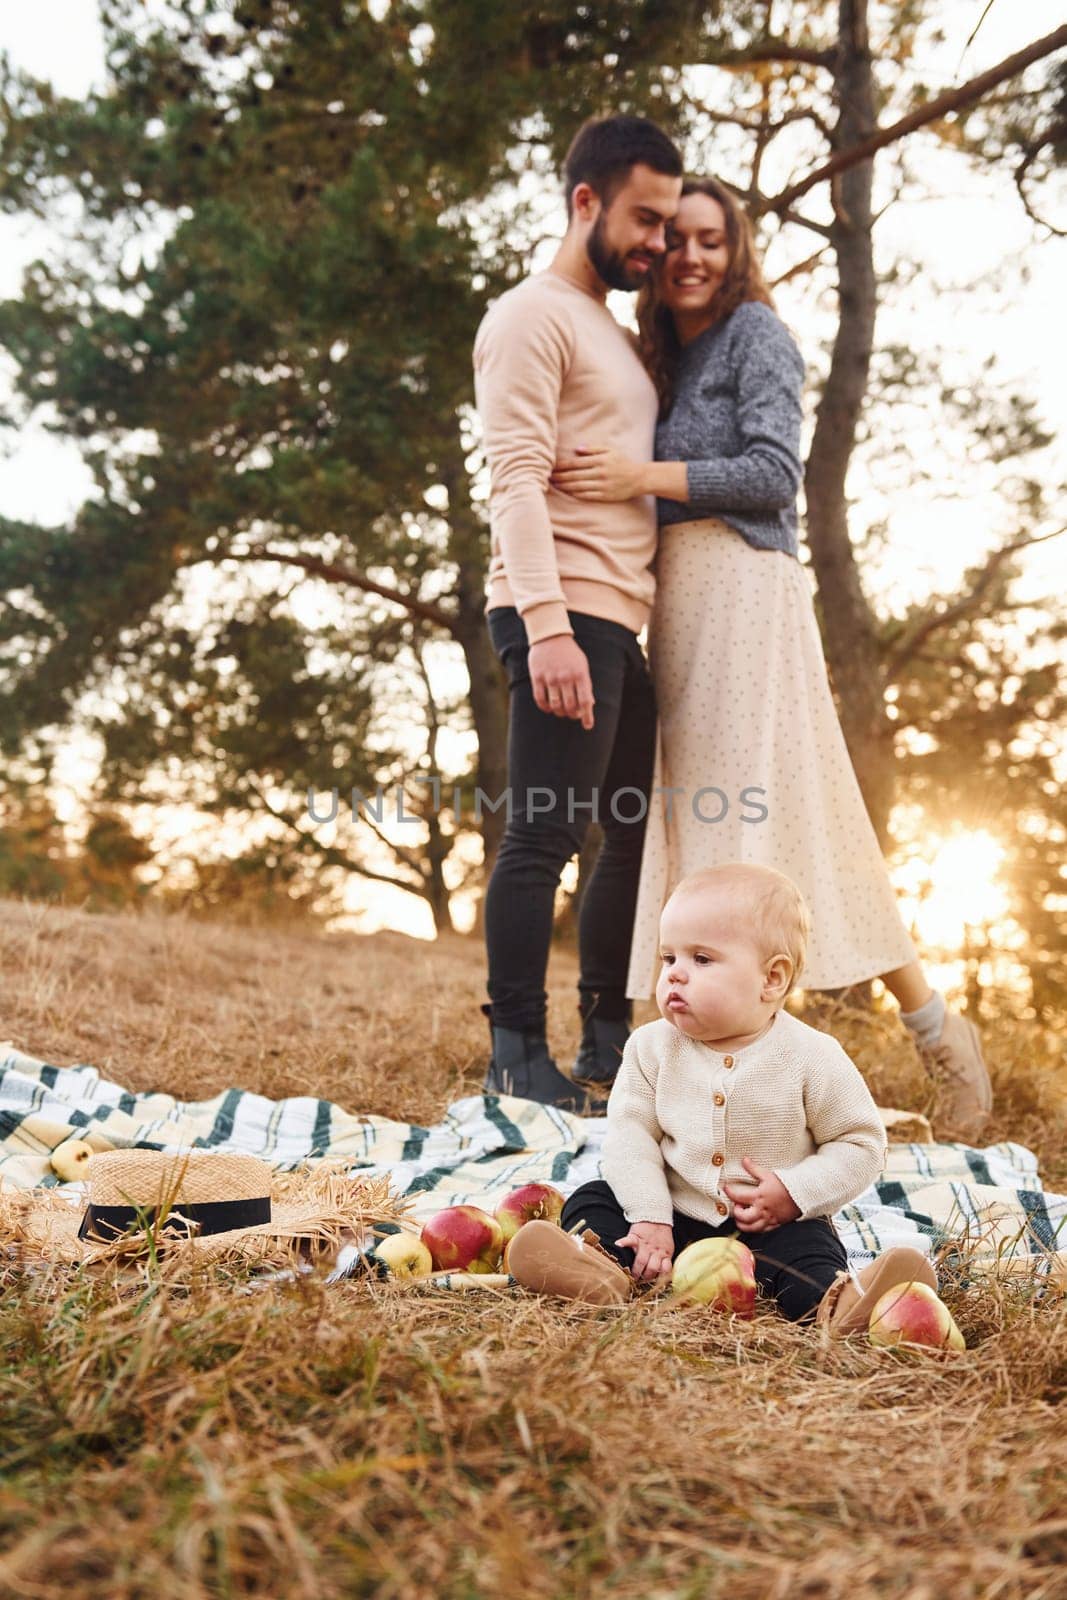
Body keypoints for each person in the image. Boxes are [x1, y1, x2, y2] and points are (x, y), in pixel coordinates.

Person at [548, 177, 992, 1144]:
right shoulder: (664, 354)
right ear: (656, 261)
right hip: (677, 601)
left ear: (736, 250)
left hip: (746, 592)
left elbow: (771, 473)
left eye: (713, 240)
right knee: (773, 816)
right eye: (678, 244)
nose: (694, 257)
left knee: (735, 825)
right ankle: (752, 1059)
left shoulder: (757, 334)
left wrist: (641, 477)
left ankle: (905, 1047)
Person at [471, 115, 683, 1112]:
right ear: (584, 200)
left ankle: (608, 1044)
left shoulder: (612, 330)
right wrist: (546, 625)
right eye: (643, 217)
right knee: (542, 837)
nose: (657, 241)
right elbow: (512, 478)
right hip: (561, 611)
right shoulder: (531, 316)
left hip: (615, 620)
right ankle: (515, 1055)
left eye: (669, 224)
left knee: (631, 838)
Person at [506, 862, 948, 1334]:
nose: (675, 975)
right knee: (595, 1198)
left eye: (700, 959)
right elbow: (630, 1135)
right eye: (668, 958)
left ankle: (841, 1305)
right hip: (668, 1214)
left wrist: (794, 1193)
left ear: (771, 979)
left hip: (769, 1226)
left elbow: (860, 1144)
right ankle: (598, 1270)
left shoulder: (813, 1056)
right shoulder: (651, 1047)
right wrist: (650, 1216)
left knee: (807, 1253)